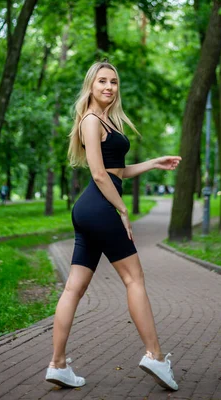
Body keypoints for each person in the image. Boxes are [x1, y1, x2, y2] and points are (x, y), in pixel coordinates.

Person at [45, 60, 182, 391]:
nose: (109, 86)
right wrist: (121, 208)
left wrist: (153, 163)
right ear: (90, 85)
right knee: (134, 278)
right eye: (102, 81)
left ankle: (58, 365)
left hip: (90, 209)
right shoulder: (91, 120)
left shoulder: (106, 120)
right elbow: (98, 173)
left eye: (114, 82)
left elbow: (116, 170)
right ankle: (155, 355)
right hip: (100, 206)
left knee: (73, 288)